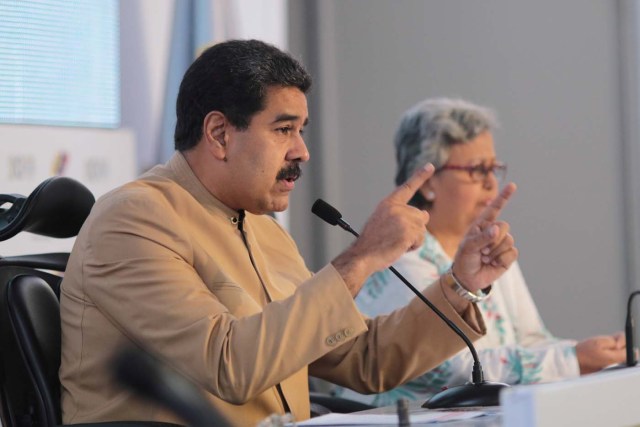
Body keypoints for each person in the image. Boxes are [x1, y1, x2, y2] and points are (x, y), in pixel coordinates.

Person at [59, 41, 518, 427]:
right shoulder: (133, 219)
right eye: (283, 130)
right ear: (219, 134)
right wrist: (360, 259)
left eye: (301, 130)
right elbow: (229, 365)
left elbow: (363, 360)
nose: (302, 151)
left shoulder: (263, 228)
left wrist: (460, 285)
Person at [334, 98, 626, 407]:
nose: (490, 183)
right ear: (429, 182)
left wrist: (598, 354)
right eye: (477, 170)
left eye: (494, 168)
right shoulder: (398, 256)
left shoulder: (486, 249)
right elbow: (446, 368)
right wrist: (573, 360)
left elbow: (530, 340)